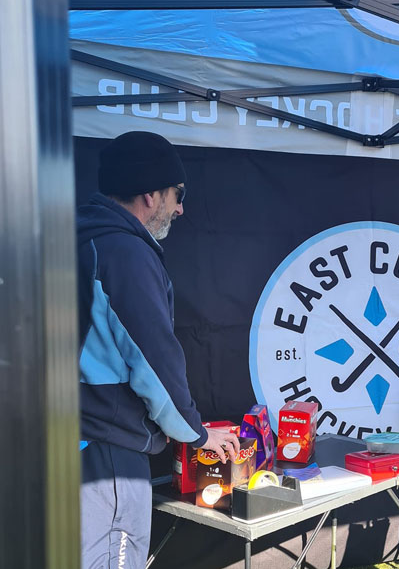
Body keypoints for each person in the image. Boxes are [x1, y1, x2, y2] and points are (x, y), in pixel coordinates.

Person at [77, 131, 240, 569]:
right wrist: (197, 432)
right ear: (150, 195)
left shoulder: (74, 241)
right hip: (106, 456)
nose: (180, 207)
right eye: (176, 194)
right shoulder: (123, 252)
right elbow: (154, 359)